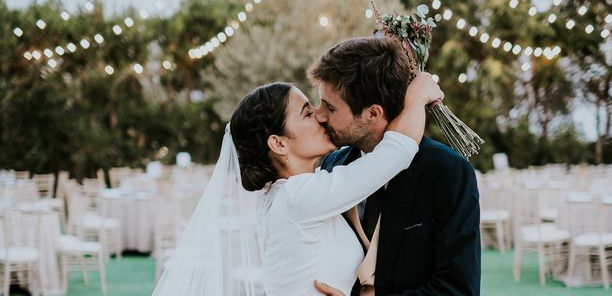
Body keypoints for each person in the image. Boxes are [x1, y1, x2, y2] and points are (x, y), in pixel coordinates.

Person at [151, 72, 443, 296]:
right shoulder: (299, 198)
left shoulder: (285, 195)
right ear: (278, 143)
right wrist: (417, 95)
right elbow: (396, 152)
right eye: (306, 113)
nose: (319, 115)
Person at [309, 36, 481, 296]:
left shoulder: (447, 172)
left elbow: (457, 289)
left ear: (373, 113)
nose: (319, 115)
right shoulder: (334, 164)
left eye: (330, 107)